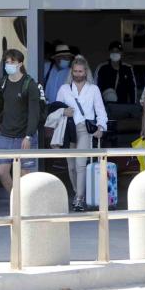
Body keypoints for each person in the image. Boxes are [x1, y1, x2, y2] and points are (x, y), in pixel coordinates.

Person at [0, 49, 40, 192]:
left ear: (20, 64)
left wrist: (29, 136)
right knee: (2, 172)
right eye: (7, 62)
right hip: (5, 135)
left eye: (12, 62)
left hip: (24, 136)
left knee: (25, 175)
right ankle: (15, 199)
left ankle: (24, 202)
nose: (8, 65)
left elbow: (34, 113)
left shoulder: (29, 84)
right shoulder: (2, 83)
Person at [56, 56, 107, 211]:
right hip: (69, 130)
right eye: (75, 71)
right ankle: (77, 192)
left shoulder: (93, 89)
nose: (78, 74)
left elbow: (100, 111)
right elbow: (56, 109)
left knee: (80, 164)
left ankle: (79, 198)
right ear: (71, 72)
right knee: (71, 166)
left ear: (86, 72)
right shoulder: (64, 89)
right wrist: (64, 111)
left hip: (85, 129)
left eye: (80, 71)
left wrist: (101, 127)